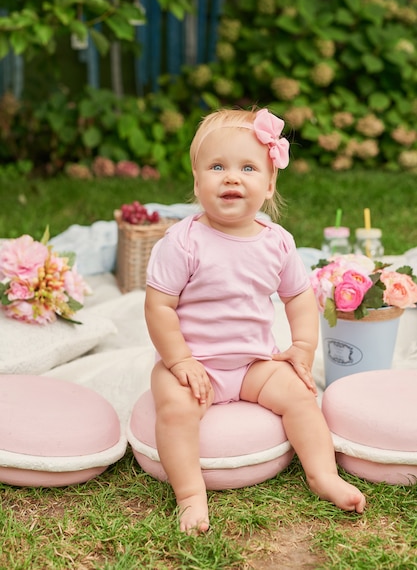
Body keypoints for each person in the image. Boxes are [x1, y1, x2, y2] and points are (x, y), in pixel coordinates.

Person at [144, 107, 366, 534]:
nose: (231, 177)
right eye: (217, 167)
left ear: (268, 184)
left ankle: (323, 475)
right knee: (174, 408)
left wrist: (302, 347)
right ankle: (190, 494)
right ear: (196, 181)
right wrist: (179, 361)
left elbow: (299, 298)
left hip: (251, 364)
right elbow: (159, 307)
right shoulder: (183, 242)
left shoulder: (277, 243)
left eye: (247, 167)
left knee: (302, 395)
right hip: (194, 365)